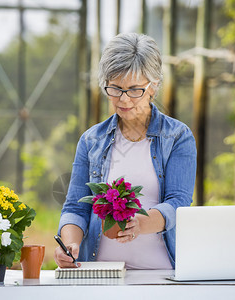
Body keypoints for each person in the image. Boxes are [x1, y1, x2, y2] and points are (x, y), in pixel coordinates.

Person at [54, 32, 196, 270]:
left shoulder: (177, 137)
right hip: (100, 275)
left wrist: (140, 224)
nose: (124, 99)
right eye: (115, 88)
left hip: (159, 274)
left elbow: (178, 203)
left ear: (154, 86)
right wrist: (69, 245)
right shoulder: (91, 140)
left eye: (134, 89)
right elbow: (76, 207)